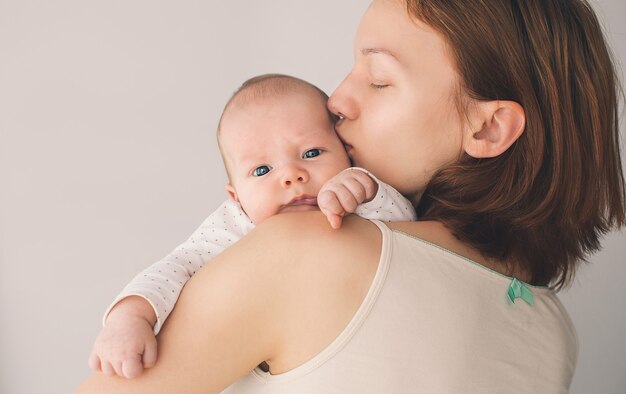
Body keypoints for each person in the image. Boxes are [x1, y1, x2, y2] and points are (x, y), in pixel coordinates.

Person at [77, 0, 625, 392]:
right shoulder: (555, 333)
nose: (336, 98)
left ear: (486, 129)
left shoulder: (310, 246)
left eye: (379, 79)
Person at [87, 73, 417, 379]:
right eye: (261, 171)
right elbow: (177, 266)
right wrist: (130, 318)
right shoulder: (234, 226)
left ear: (347, 155)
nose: (291, 175)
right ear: (237, 197)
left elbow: (409, 235)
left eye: (312, 152)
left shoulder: (360, 195)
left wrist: (367, 190)